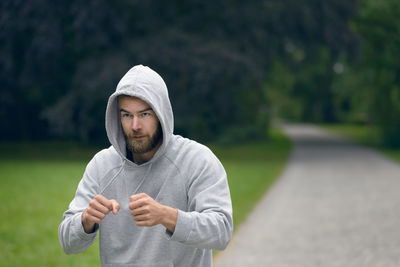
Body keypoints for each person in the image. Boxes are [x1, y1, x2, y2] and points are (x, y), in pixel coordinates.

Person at [58, 65, 233, 266]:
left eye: (144, 114)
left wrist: (166, 215)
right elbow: (67, 243)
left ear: (161, 114)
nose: (135, 126)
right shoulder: (102, 165)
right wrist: (86, 221)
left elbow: (221, 231)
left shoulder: (197, 159)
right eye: (126, 115)